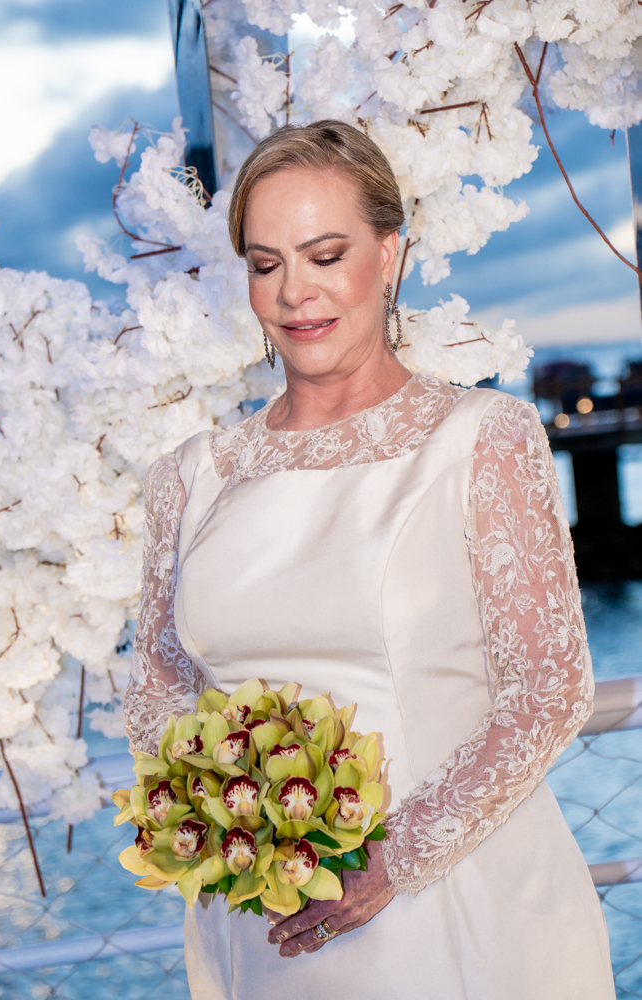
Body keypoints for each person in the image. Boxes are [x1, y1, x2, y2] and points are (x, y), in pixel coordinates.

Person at [123, 119, 615, 999]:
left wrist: (394, 858)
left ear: (389, 255)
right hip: (260, 918)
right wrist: (238, 831)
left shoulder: (482, 439)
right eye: (265, 264)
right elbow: (159, 690)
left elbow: (549, 689)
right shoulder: (189, 477)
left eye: (325, 255)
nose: (293, 293)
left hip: (453, 903)